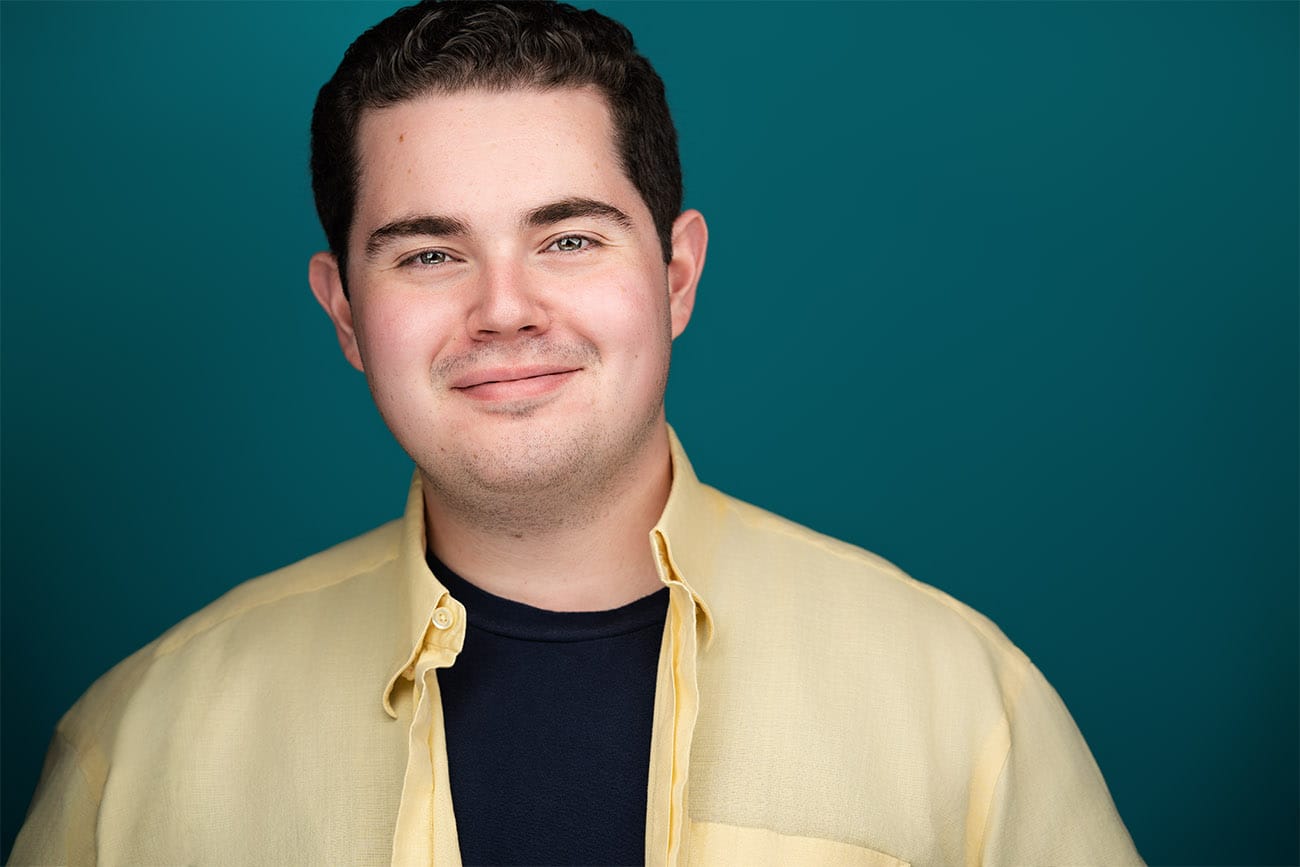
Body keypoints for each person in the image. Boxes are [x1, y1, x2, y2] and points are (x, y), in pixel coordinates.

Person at [10, 2, 1144, 865]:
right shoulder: (141, 749)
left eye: (568, 240)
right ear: (346, 314)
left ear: (678, 276)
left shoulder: (963, 704)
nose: (503, 308)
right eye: (428, 253)